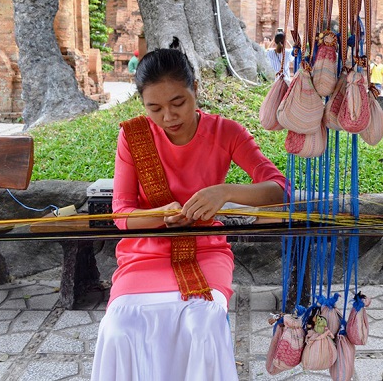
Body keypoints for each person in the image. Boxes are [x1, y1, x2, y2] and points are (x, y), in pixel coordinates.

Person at [91, 48, 286, 380]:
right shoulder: (133, 136)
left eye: (178, 102)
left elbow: (278, 188)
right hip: (145, 253)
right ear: (143, 105)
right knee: (120, 327)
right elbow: (122, 215)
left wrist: (225, 192)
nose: (168, 116)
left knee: (204, 324)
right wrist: (158, 214)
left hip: (204, 249)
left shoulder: (227, 132)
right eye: (155, 108)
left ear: (195, 87)